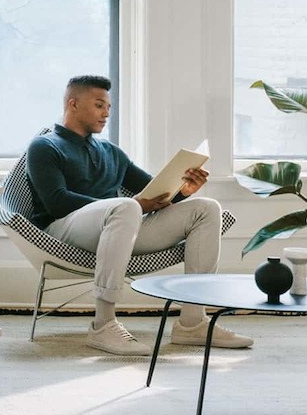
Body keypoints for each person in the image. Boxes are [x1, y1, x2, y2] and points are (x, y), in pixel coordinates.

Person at [22, 75, 250, 356]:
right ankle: (103, 324)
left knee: (207, 208)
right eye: (98, 105)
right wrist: (133, 205)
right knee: (127, 206)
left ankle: (192, 323)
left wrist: (183, 191)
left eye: (109, 107)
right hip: (64, 231)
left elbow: (153, 193)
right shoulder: (45, 146)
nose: (106, 113)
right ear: (73, 103)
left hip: (120, 228)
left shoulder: (110, 152)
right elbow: (56, 203)